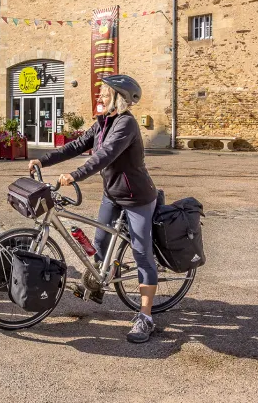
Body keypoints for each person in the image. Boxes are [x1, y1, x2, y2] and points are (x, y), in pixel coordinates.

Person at [29, 75, 159, 343]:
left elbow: (105, 156)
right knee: (100, 242)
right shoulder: (104, 122)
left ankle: (145, 317)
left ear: (118, 98)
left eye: (103, 93)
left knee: (141, 252)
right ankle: (101, 283)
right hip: (112, 194)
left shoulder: (126, 124)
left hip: (137, 198)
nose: (98, 96)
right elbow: (77, 145)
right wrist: (43, 161)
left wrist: (74, 175)